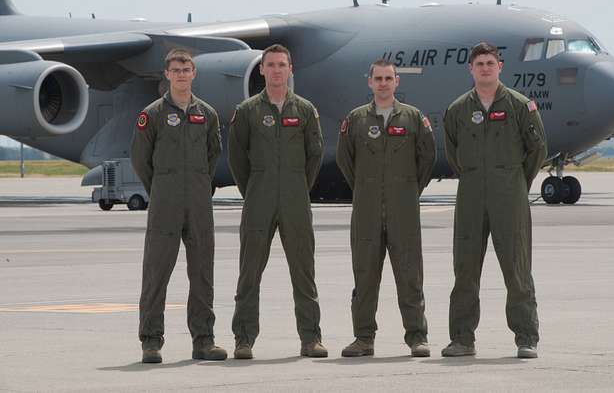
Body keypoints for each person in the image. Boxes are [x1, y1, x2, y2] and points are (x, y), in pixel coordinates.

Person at [442, 42, 547, 359]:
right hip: (471, 194)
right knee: (465, 269)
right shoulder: (458, 110)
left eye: (490, 62)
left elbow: (537, 149)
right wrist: (476, 176)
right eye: (479, 64)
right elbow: (453, 152)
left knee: (517, 269)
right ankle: (462, 338)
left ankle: (526, 337)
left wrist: (514, 181)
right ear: (470, 69)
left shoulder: (519, 106)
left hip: (509, 195)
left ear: (500, 66)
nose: (485, 68)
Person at [227, 44, 327, 359]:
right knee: (249, 272)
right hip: (259, 198)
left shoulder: (305, 110)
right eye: (270, 65)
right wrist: (256, 187)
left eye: (282, 65)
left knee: (304, 271)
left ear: (290, 69)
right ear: (262, 69)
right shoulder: (247, 112)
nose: (276, 70)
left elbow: (315, 156)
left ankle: (310, 339)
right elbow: (236, 159)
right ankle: (243, 339)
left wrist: (297, 185)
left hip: (296, 198)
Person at [131, 48, 226, 363]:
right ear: (167, 74)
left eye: (187, 69)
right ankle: (151, 341)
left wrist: (197, 183)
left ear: (194, 73)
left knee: (202, 273)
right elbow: (141, 159)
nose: (182, 74)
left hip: (199, 203)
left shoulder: (207, 115)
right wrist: (161, 187)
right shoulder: (153, 114)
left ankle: (204, 340)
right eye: (176, 69)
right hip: (165, 202)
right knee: (157, 272)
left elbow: (213, 155)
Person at [336, 59, 436, 357]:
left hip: (403, 211)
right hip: (365, 212)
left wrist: (405, 190)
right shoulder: (356, 120)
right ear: (369, 82)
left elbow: (426, 159)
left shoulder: (413, 118)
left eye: (388, 78)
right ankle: (363, 338)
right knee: (364, 276)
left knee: (410, 276)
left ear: (396, 82)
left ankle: (417, 336)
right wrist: (366, 188)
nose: (383, 83)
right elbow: (345, 160)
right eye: (377, 78)